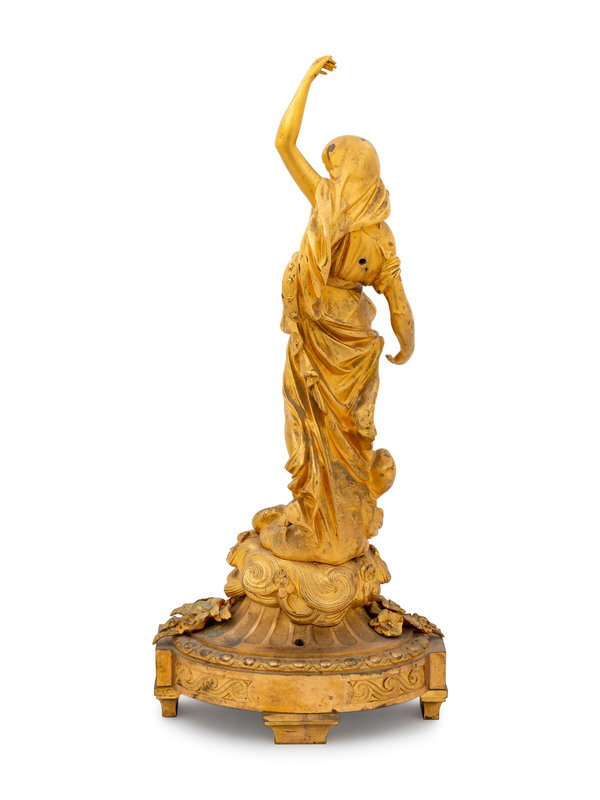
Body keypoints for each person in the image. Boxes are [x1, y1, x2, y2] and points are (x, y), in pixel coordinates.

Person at [254, 56, 415, 566]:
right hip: (354, 338)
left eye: (334, 165)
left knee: (311, 425)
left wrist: (304, 81)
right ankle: (328, 520)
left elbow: (284, 142)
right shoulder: (381, 237)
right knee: (342, 433)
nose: (330, 174)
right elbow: (398, 302)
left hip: (317, 330)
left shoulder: (325, 201)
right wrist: (407, 342)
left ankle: (324, 525)